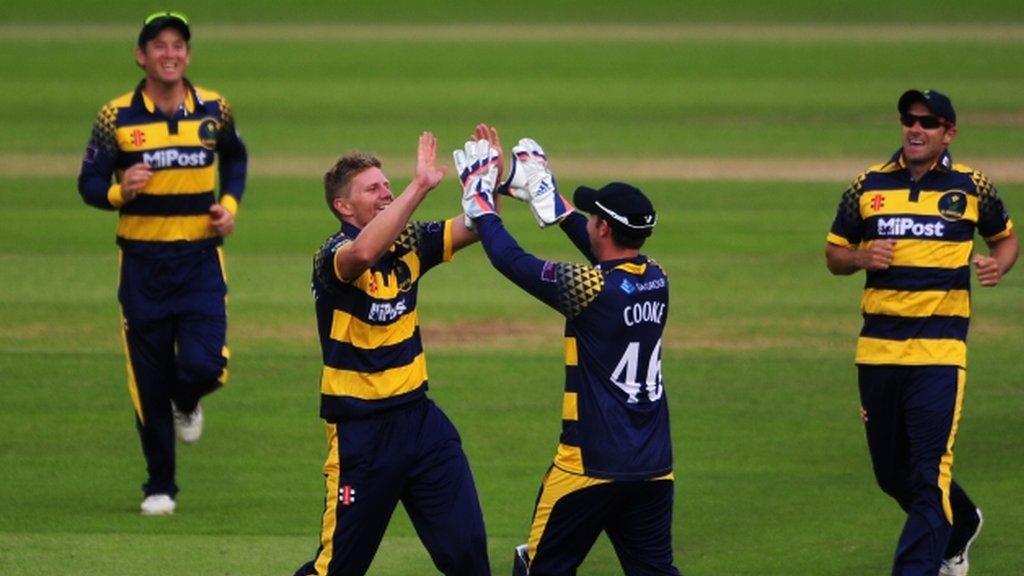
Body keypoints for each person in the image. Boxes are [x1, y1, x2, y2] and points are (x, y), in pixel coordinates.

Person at [457, 128, 680, 576]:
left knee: (541, 569)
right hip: (654, 468)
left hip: (588, 467)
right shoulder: (656, 276)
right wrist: (553, 206)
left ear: (603, 226)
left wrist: (481, 205)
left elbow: (512, 261)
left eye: (592, 215)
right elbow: (605, 254)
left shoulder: (591, 288)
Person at [825, 89, 1017, 576]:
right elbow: (835, 254)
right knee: (893, 475)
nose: (916, 129)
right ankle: (963, 522)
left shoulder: (972, 187)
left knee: (929, 477)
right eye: (909, 119)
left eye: (929, 122)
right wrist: (861, 258)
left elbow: (1006, 238)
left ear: (948, 132)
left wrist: (998, 265)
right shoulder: (867, 185)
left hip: (939, 354)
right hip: (877, 352)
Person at [293, 132, 490, 576]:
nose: (386, 193)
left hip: (421, 424)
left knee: (468, 555)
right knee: (338, 568)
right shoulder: (332, 255)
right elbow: (364, 250)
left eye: (388, 185)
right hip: (361, 436)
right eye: (373, 188)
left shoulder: (410, 242)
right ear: (344, 207)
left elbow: (473, 227)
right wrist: (418, 187)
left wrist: (490, 184)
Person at [76, 10, 248, 516]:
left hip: (199, 259)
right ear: (141, 55)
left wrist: (229, 207)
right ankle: (160, 486)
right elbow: (87, 184)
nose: (169, 53)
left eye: (178, 45)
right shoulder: (116, 116)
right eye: (159, 46)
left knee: (204, 364)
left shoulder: (214, 108)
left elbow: (235, 158)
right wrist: (117, 190)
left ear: (187, 55)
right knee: (148, 379)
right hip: (143, 264)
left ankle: (188, 397)